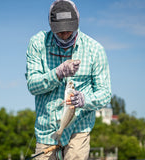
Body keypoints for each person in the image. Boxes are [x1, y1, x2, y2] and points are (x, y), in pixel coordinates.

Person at [26, 0, 111, 159]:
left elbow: (105, 93)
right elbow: (32, 85)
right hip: (47, 132)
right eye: (59, 31)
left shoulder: (95, 50)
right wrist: (57, 73)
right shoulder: (37, 43)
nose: (65, 34)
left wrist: (86, 100)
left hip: (78, 130)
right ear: (50, 25)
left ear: (77, 22)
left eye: (69, 30)